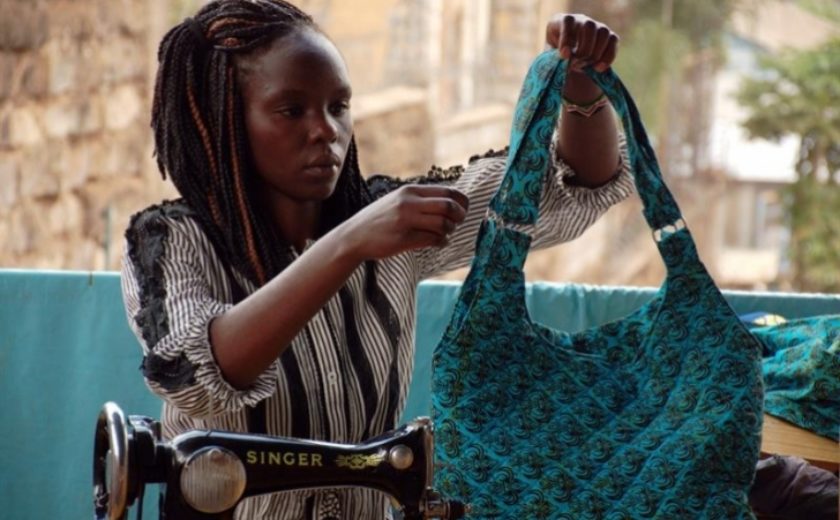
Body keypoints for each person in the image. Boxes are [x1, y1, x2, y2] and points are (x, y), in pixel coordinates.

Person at [120, 1, 633, 518]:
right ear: (225, 120)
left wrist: (581, 88)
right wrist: (348, 244)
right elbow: (197, 377)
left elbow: (571, 185)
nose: (326, 130)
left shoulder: (390, 225)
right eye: (292, 111)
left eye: (338, 107)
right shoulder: (171, 240)